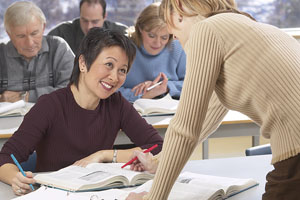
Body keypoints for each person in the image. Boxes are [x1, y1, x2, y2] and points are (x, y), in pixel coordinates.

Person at [126, 0, 300, 200]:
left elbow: (185, 129)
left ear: (180, 10)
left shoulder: (205, 30)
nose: (174, 36)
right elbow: (206, 115)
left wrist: (152, 198)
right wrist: (157, 162)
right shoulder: (246, 26)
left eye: (170, 25)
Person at [0, 27, 163, 196]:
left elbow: (158, 147)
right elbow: (5, 158)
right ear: (83, 63)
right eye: (109, 65)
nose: (115, 77)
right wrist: (15, 178)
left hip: (98, 194)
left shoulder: (117, 104)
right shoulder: (50, 105)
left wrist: (105, 155)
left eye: (122, 70)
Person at [0, 1, 74, 103]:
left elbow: (73, 91)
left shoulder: (58, 48)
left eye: (34, 33)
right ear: (9, 34)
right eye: (21, 36)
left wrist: (25, 96)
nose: (30, 43)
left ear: (43, 27)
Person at [119, 3, 186, 102]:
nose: (157, 43)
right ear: (140, 28)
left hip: (168, 109)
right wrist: (142, 95)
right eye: (151, 35)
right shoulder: (123, 48)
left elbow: (192, 85)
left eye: (164, 37)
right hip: (129, 107)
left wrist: (166, 87)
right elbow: (109, 88)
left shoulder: (178, 48)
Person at [48, 0, 127, 54]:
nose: (89, 27)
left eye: (95, 22)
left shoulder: (121, 33)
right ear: (80, 14)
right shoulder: (61, 34)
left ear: (104, 16)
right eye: (84, 20)